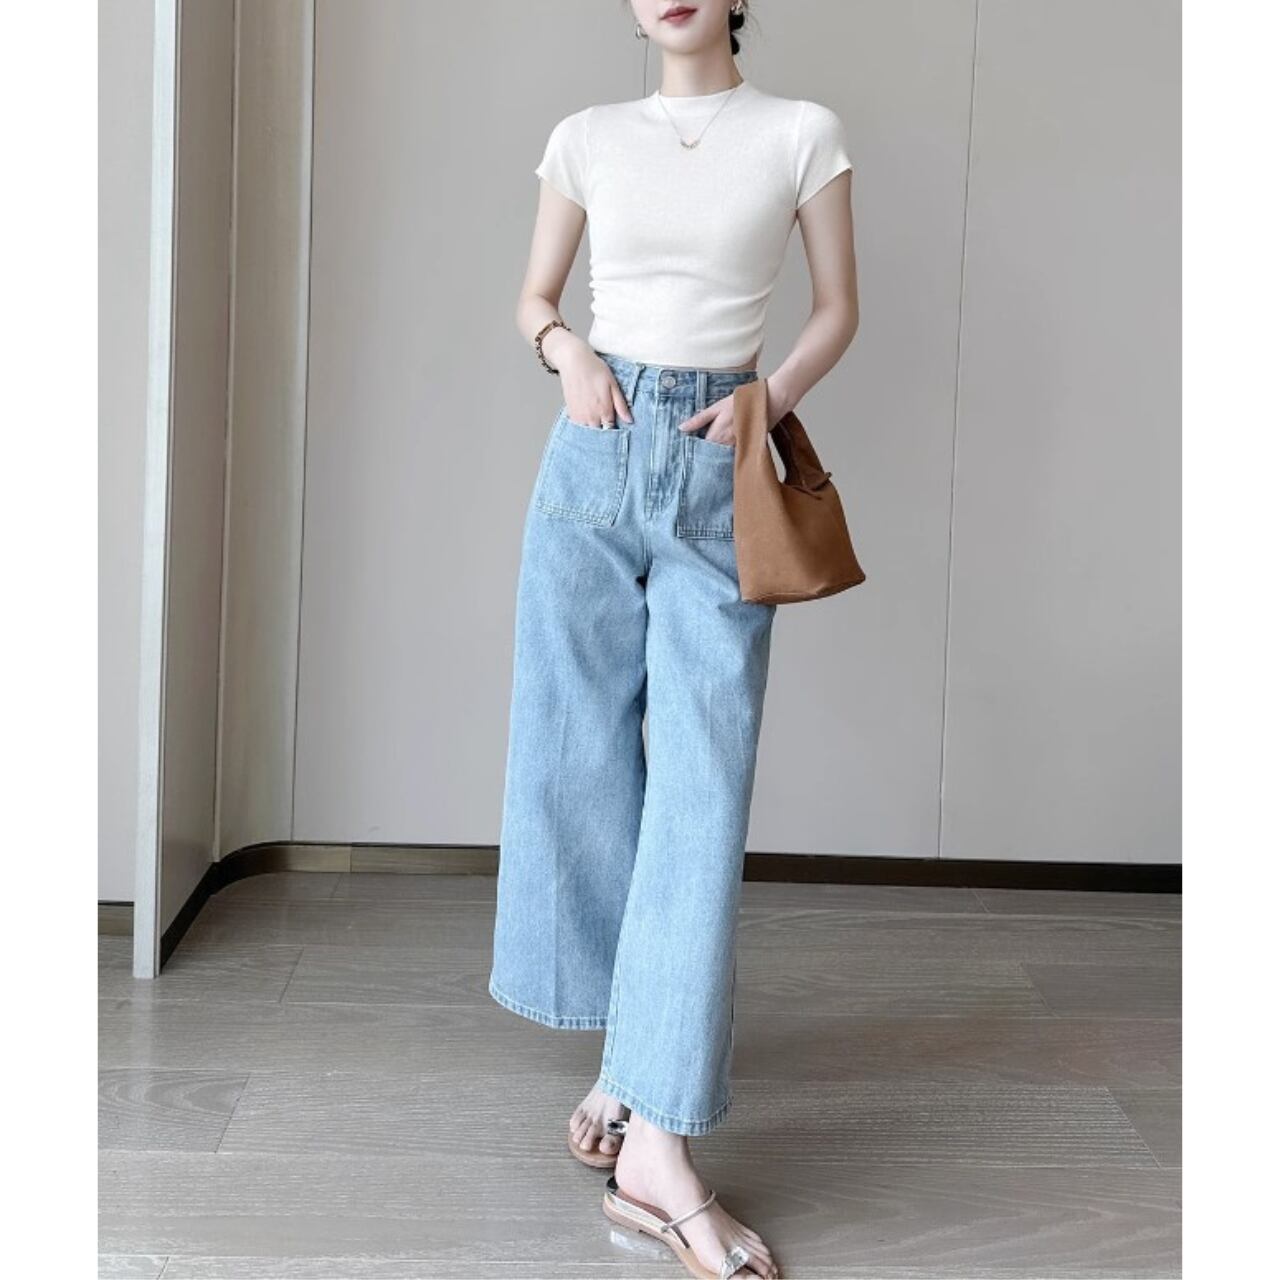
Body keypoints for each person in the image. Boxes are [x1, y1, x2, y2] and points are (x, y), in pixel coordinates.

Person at [490, 2, 859, 1276]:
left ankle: (656, 1149)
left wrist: (766, 400)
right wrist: (564, 353)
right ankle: (628, 1066)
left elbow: (836, 310)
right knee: (582, 766)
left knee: (698, 789)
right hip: (592, 455)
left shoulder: (800, 132)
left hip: (717, 459)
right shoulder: (586, 135)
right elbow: (533, 298)